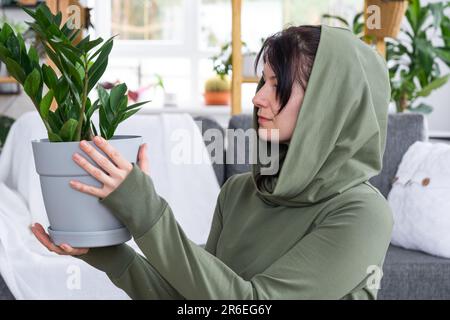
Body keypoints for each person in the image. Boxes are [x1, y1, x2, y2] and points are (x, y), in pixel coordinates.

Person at [31, 25, 393, 299]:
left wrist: (146, 209)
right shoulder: (239, 193)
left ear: (329, 102)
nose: (259, 99)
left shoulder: (362, 213)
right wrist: (105, 251)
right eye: (261, 82)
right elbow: (190, 299)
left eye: (276, 84)